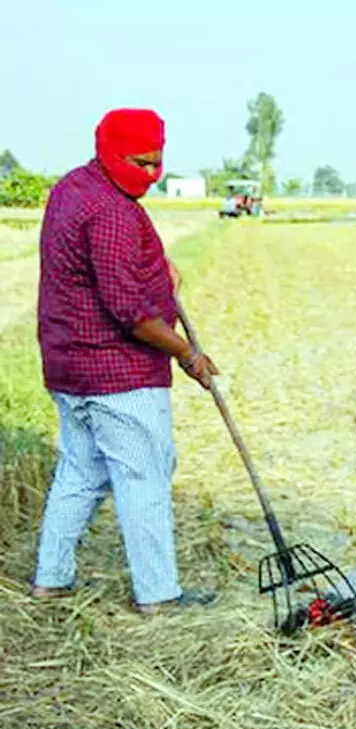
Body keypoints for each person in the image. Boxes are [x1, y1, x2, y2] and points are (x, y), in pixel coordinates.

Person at [30, 108, 220, 614]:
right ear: (110, 151)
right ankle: (159, 597)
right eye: (141, 163)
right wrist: (188, 355)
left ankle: (50, 579)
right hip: (117, 374)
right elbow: (131, 313)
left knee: (81, 470)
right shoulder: (112, 212)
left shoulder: (75, 187)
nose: (152, 175)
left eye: (158, 163)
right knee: (144, 477)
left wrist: (159, 267)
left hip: (68, 366)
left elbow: (106, 266)